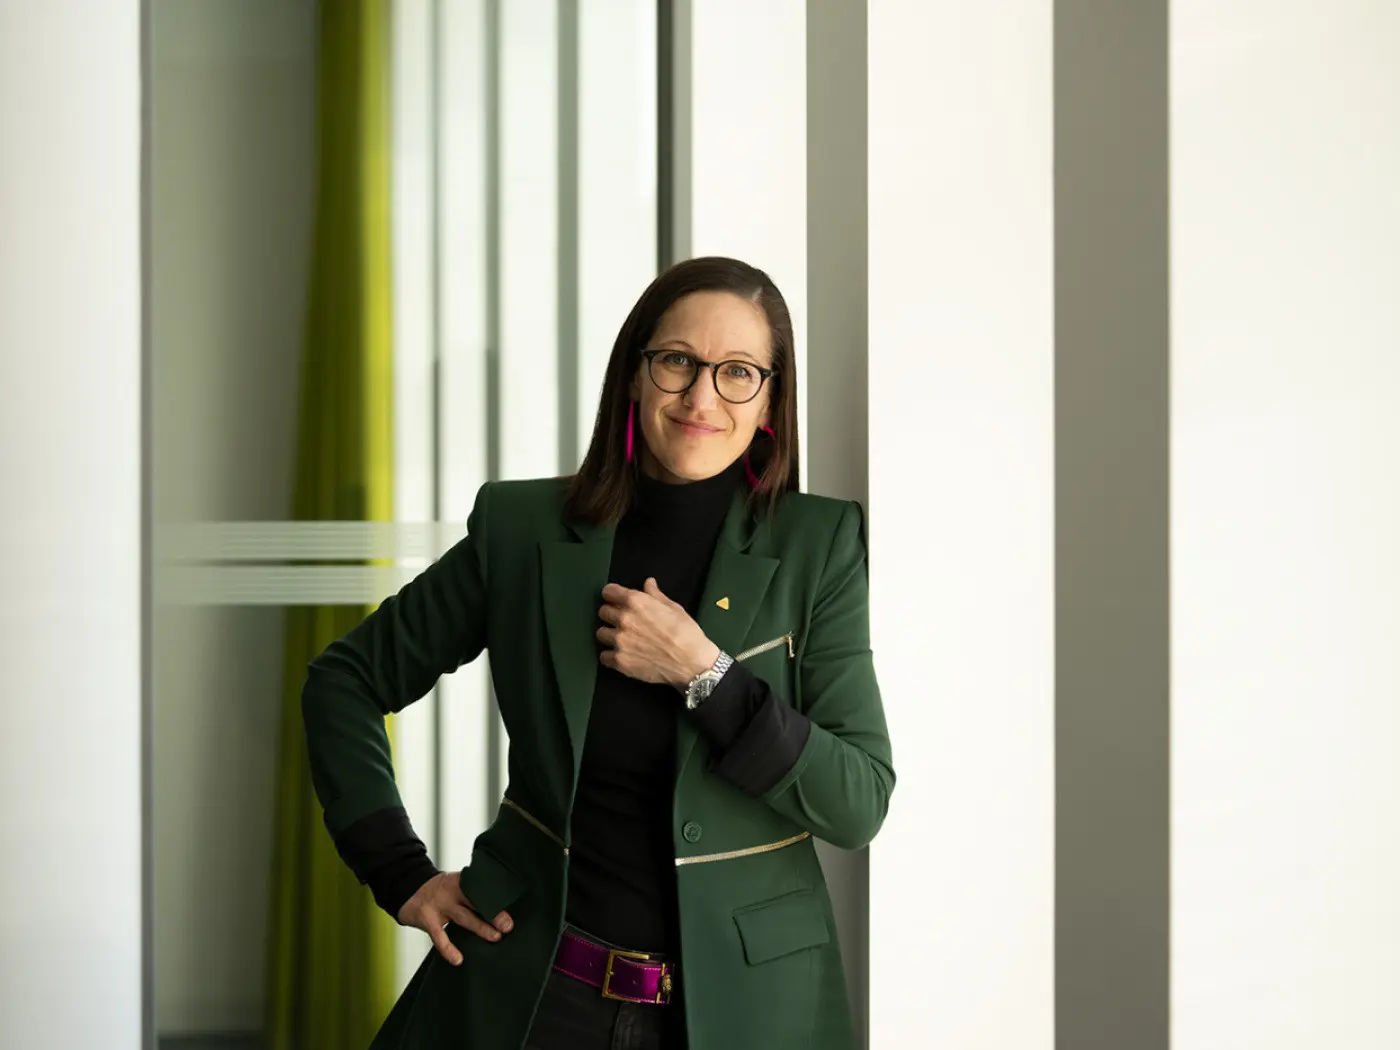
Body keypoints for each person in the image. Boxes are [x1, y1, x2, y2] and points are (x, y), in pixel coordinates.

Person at [302, 256, 895, 1050]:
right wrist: (399, 871)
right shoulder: (521, 531)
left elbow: (858, 803)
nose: (701, 398)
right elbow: (344, 681)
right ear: (635, 374)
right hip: (535, 994)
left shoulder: (820, 545)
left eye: (738, 373)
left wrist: (704, 673)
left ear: (770, 402)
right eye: (678, 361)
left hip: (752, 1008)